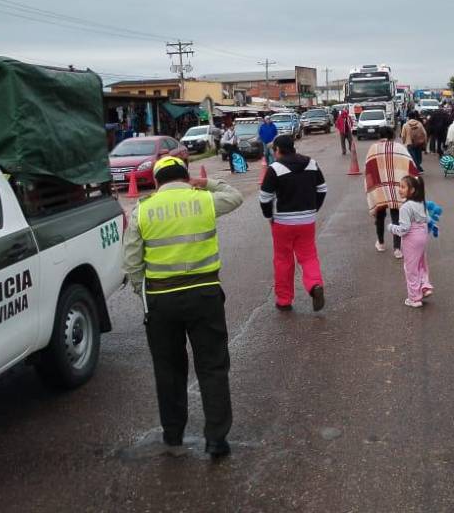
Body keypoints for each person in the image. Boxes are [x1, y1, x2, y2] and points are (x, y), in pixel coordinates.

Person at [122, 156, 245, 458]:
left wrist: (145, 297)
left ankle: (173, 434)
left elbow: (132, 262)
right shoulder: (203, 201)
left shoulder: (144, 210)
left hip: (162, 302)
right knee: (213, 366)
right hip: (205, 295)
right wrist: (207, 183)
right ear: (186, 177)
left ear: (157, 181)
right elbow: (235, 196)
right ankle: (216, 439)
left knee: (168, 369)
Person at [259, 135, 327, 312]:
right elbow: (322, 189)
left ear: (278, 150)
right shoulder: (311, 163)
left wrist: (269, 216)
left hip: (283, 222)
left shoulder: (275, 168)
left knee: (283, 260)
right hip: (307, 220)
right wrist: (314, 208)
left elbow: (264, 198)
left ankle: (284, 300)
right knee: (309, 256)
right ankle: (315, 285)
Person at [365, 126, 420, 259]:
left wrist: (373, 186)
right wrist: (414, 182)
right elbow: (411, 165)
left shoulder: (373, 148)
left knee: (380, 216)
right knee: (396, 217)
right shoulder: (400, 148)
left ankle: (381, 243)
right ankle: (397, 249)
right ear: (392, 135)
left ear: (380, 135)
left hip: (380, 188)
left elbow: (369, 170)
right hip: (397, 188)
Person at [387, 175, 434, 308]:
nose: (400, 189)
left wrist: (391, 227)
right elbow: (428, 219)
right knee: (421, 263)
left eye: (403, 187)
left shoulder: (405, 207)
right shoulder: (421, 202)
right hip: (423, 236)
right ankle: (424, 287)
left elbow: (404, 229)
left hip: (411, 240)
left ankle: (414, 298)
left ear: (412, 190)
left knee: (411, 268)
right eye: (399, 186)